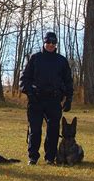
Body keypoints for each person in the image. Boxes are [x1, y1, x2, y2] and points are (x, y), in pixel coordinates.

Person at [20, 31, 73, 165]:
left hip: (54, 100)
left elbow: (68, 82)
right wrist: (30, 93)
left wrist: (69, 99)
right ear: (44, 42)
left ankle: (50, 157)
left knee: (53, 130)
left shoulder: (62, 61)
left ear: (56, 44)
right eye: (48, 42)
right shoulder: (35, 58)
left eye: (53, 43)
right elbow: (24, 79)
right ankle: (33, 157)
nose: (50, 45)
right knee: (35, 129)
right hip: (36, 100)